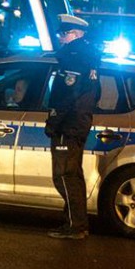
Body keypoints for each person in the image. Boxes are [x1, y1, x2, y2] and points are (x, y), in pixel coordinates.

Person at [45, 14, 101, 239]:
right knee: (73, 175)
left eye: (64, 33)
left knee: (64, 176)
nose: (60, 37)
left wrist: (53, 122)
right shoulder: (90, 58)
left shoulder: (73, 58)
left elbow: (66, 95)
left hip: (67, 126)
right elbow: (96, 93)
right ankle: (75, 223)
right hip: (79, 122)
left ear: (76, 34)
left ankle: (75, 225)